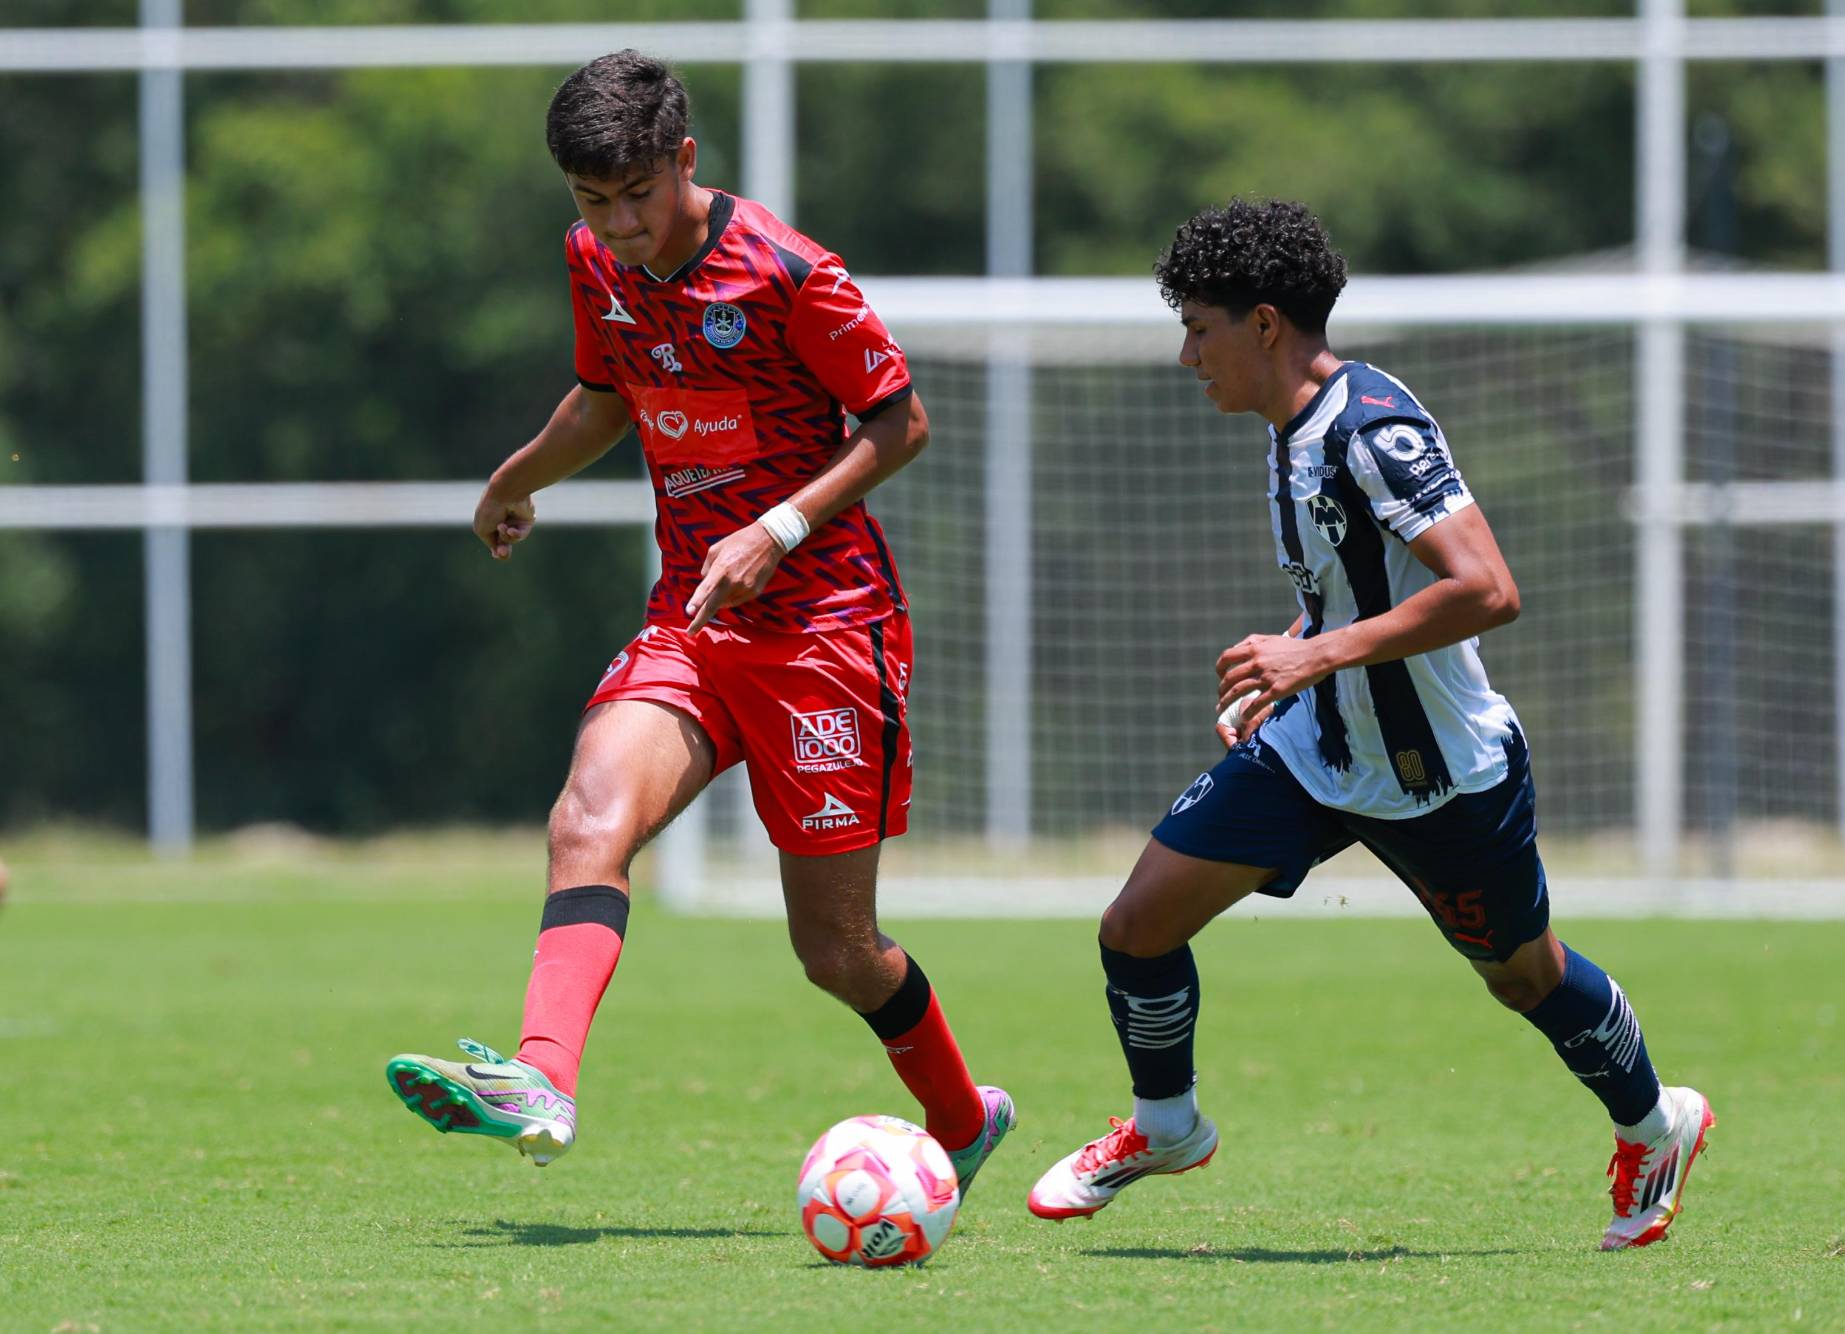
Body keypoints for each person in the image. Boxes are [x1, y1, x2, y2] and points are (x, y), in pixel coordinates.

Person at [1025, 198, 1710, 1251]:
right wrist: (1296, 655)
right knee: (1136, 924)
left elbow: (1487, 587)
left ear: (1262, 326)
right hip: (1314, 751)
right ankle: (1166, 1125)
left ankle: (1655, 1121)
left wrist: (1315, 652)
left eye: (1197, 328)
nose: (1183, 355)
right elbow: (1353, 592)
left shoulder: (1371, 428)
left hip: (1441, 774)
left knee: (1522, 974)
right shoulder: (1285, 427)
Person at [384, 50, 1013, 1193]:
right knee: (586, 817)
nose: (618, 223)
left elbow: (899, 421)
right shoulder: (593, 262)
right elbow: (605, 394)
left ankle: (965, 1119)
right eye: (591, 200)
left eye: (636, 193)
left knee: (835, 952)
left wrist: (777, 525)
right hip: (690, 618)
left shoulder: (786, 272)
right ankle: (541, 1079)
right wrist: (518, 475)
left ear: (683, 159)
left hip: (826, 624)